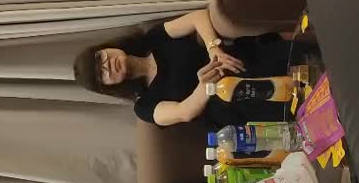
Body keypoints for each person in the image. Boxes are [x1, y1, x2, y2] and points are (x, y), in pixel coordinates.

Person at [73, 8, 291, 129]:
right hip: (227, 103)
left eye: (101, 57)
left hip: (236, 61)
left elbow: (198, 17)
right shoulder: (144, 106)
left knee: (283, 58)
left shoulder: (153, 39)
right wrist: (205, 86)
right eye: (102, 74)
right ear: (108, 86)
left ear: (107, 47)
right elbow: (184, 112)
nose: (108, 65)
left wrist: (213, 49)